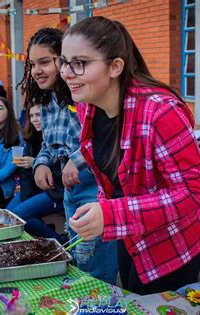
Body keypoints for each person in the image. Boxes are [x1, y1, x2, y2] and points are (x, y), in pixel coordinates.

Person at [61, 17, 200, 295]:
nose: (67, 73)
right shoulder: (87, 107)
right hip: (131, 233)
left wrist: (112, 213)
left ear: (115, 66)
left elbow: (193, 194)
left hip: (174, 241)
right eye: (64, 62)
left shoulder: (161, 112)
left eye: (79, 63)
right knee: (130, 294)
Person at [22, 28, 118, 284]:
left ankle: (101, 309)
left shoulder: (86, 94)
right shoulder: (48, 100)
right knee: (79, 258)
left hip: (94, 188)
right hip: (70, 190)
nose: (37, 70)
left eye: (45, 62)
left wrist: (76, 160)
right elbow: (49, 145)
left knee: (96, 268)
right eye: (33, 64)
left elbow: (105, 137)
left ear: (63, 60)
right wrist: (41, 163)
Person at [7, 103, 64, 241]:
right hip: (33, 190)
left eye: (38, 115)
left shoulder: (59, 136)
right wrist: (27, 199)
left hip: (56, 190)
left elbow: (62, 172)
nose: (34, 119)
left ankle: (59, 242)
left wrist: (36, 163)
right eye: (31, 116)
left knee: (17, 217)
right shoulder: (31, 138)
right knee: (6, 216)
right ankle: (45, 229)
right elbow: (24, 175)